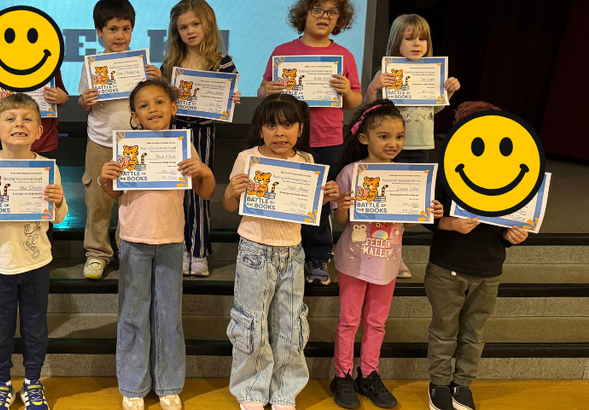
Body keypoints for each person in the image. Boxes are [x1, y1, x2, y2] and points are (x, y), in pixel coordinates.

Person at [98, 79, 215, 410]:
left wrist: (203, 170)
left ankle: (168, 383)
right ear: (134, 114)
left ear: (174, 108)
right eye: (144, 105)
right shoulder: (126, 146)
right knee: (134, 312)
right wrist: (107, 178)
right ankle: (133, 384)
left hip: (171, 241)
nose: (153, 109)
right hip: (134, 240)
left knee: (168, 314)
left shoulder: (183, 146)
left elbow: (205, 192)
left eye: (160, 102)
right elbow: (115, 193)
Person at [222, 94, 338, 410]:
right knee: (251, 323)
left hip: (292, 253)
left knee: (290, 325)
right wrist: (232, 191)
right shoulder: (248, 158)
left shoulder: (307, 163)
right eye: (271, 125)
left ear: (301, 129)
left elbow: (311, 211)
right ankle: (251, 391)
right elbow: (230, 206)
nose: (279, 133)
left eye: (288, 125)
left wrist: (326, 196)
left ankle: (284, 391)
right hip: (254, 252)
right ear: (261, 129)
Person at [329, 100, 443, 409]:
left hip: (388, 262)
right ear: (364, 138)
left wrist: (430, 210)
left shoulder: (409, 176)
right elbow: (340, 220)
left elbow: (416, 215)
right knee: (349, 321)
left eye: (400, 136)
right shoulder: (351, 173)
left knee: (377, 322)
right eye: (384, 136)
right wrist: (344, 206)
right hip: (354, 259)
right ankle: (343, 375)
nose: (393, 143)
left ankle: (369, 373)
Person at [0, 94, 68, 410]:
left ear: (38, 131)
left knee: (36, 329)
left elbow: (58, 218)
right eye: (10, 118)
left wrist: (59, 201)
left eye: (27, 119)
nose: (18, 124)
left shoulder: (48, 168)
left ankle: (33, 382)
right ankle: (2, 383)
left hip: (36, 263)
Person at [258, 0, 362, 285]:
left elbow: (355, 100)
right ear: (303, 13)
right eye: (318, 10)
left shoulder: (343, 56)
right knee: (287, 197)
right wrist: (269, 90)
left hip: (328, 140)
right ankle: (286, 255)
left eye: (332, 12)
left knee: (319, 205)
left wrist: (346, 92)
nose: (324, 16)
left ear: (339, 20)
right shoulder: (283, 53)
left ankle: (318, 257)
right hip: (285, 142)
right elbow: (262, 91)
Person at [426, 101, 528, 410]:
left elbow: (512, 226)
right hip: (447, 266)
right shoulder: (447, 172)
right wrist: (451, 223)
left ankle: (463, 383)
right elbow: (427, 218)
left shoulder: (514, 177)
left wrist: (513, 236)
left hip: (489, 269)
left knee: (474, 332)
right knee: (444, 331)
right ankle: (439, 384)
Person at [364, 13, 461, 278]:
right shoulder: (386, 72)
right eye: (409, 39)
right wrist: (374, 88)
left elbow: (435, 107)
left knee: (406, 203)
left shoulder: (433, 71)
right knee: (386, 200)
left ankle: (396, 253)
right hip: (388, 148)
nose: (417, 44)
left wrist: (447, 91)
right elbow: (368, 109)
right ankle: (375, 249)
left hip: (419, 146)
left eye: (422, 39)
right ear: (397, 42)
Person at [79, 0, 163, 280]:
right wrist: (85, 100)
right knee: (98, 201)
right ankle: (96, 253)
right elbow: (83, 104)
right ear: (100, 32)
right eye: (113, 29)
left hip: (134, 144)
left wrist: (158, 80)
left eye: (126, 29)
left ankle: (127, 250)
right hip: (100, 142)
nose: (120, 35)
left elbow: (154, 101)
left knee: (131, 202)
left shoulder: (142, 63)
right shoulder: (93, 65)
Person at [161, 0, 241, 277]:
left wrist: (232, 98)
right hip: (175, 134)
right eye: (183, 27)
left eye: (196, 24)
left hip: (204, 132)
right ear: (176, 32)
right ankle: (180, 248)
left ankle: (199, 251)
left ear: (208, 24)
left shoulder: (222, 62)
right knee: (178, 193)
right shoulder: (171, 63)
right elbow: (162, 99)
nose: (190, 31)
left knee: (200, 193)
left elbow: (229, 96)